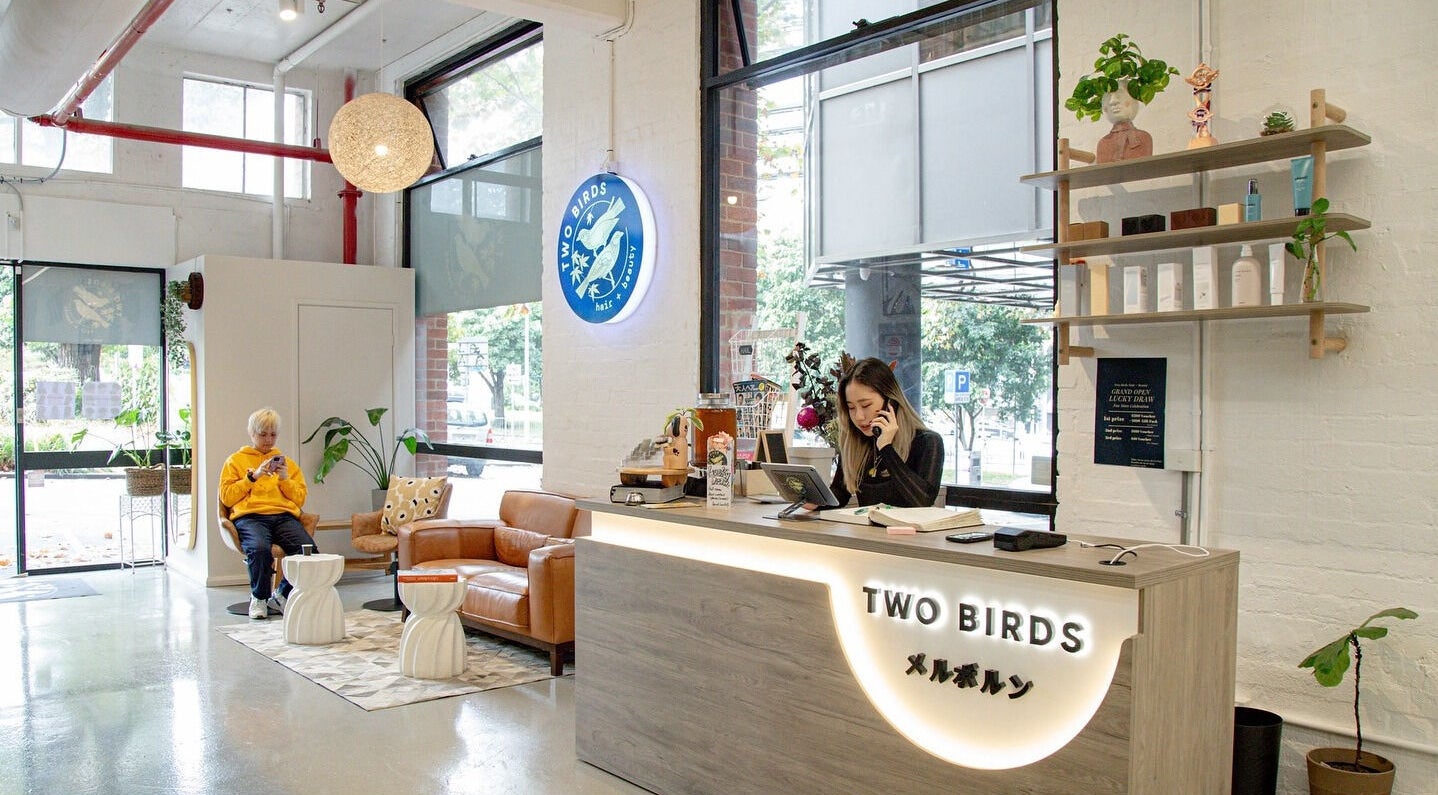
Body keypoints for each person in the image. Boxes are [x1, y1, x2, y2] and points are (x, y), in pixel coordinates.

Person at [220, 407, 315, 620]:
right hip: (250, 517)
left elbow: (300, 498)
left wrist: (285, 479)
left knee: (308, 552)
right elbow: (226, 497)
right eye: (263, 434)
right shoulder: (235, 461)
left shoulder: (287, 463)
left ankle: (281, 595)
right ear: (252, 432)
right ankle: (259, 598)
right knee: (259, 549)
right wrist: (252, 477)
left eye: (273, 435)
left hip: (283, 516)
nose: (268, 440)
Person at [819, 357, 944, 509]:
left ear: (891, 401)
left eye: (866, 405)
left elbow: (923, 500)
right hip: (868, 525)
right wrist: (814, 499)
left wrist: (886, 448)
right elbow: (840, 493)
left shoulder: (928, 442)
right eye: (851, 407)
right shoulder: (856, 444)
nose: (859, 416)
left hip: (909, 525)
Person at [1095, 87, 1153, 163]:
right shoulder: (1103, 143)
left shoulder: (1143, 137)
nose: (1113, 102)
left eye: (1119, 96)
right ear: (1105, 109)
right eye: (1108, 99)